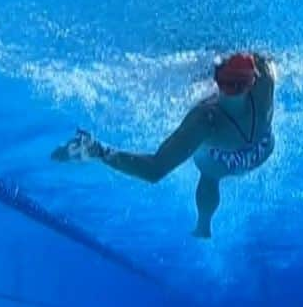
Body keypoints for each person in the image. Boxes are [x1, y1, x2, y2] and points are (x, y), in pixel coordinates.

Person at [53, 51, 275, 238]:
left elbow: (154, 170)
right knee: (212, 175)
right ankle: (204, 225)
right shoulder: (265, 81)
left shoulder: (205, 120)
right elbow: (265, 61)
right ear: (251, 82)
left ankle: (203, 225)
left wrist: (100, 151)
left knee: (210, 176)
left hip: (225, 162)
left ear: (217, 81)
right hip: (262, 150)